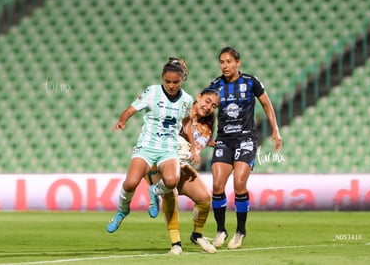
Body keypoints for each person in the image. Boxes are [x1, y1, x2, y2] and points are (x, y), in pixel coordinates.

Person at [106, 57, 196, 234]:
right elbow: (130, 109)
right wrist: (122, 121)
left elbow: (187, 123)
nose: (171, 85)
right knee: (131, 183)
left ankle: (154, 190)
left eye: (175, 82)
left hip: (169, 147)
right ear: (162, 79)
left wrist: (193, 146)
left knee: (171, 181)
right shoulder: (152, 92)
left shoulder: (187, 99)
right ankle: (122, 210)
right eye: (167, 81)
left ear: (182, 80)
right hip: (147, 145)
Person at [207, 47, 282, 249]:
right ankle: (221, 230)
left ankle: (240, 231)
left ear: (237, 63)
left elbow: (266, 104)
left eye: (229, 61)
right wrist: (205, 134)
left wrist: (275, 130)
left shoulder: (251, 82)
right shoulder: (215, 86)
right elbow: (206, 111)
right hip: (223, 140)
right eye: (222, 61)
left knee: (239, 184)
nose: (225, 65)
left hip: (245, 139)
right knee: (217, 186)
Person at [146, 88, 220, 255]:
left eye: (213, 105)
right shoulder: (178, 109)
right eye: (207, 101)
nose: (209, 107)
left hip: (182, 165)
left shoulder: (206, 127)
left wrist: (194, 151)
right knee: (170, 193)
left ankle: (197, 234)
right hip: (159, 162)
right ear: (199, 97)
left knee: (204, 198)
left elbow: (198, 147)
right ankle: (176, 243)